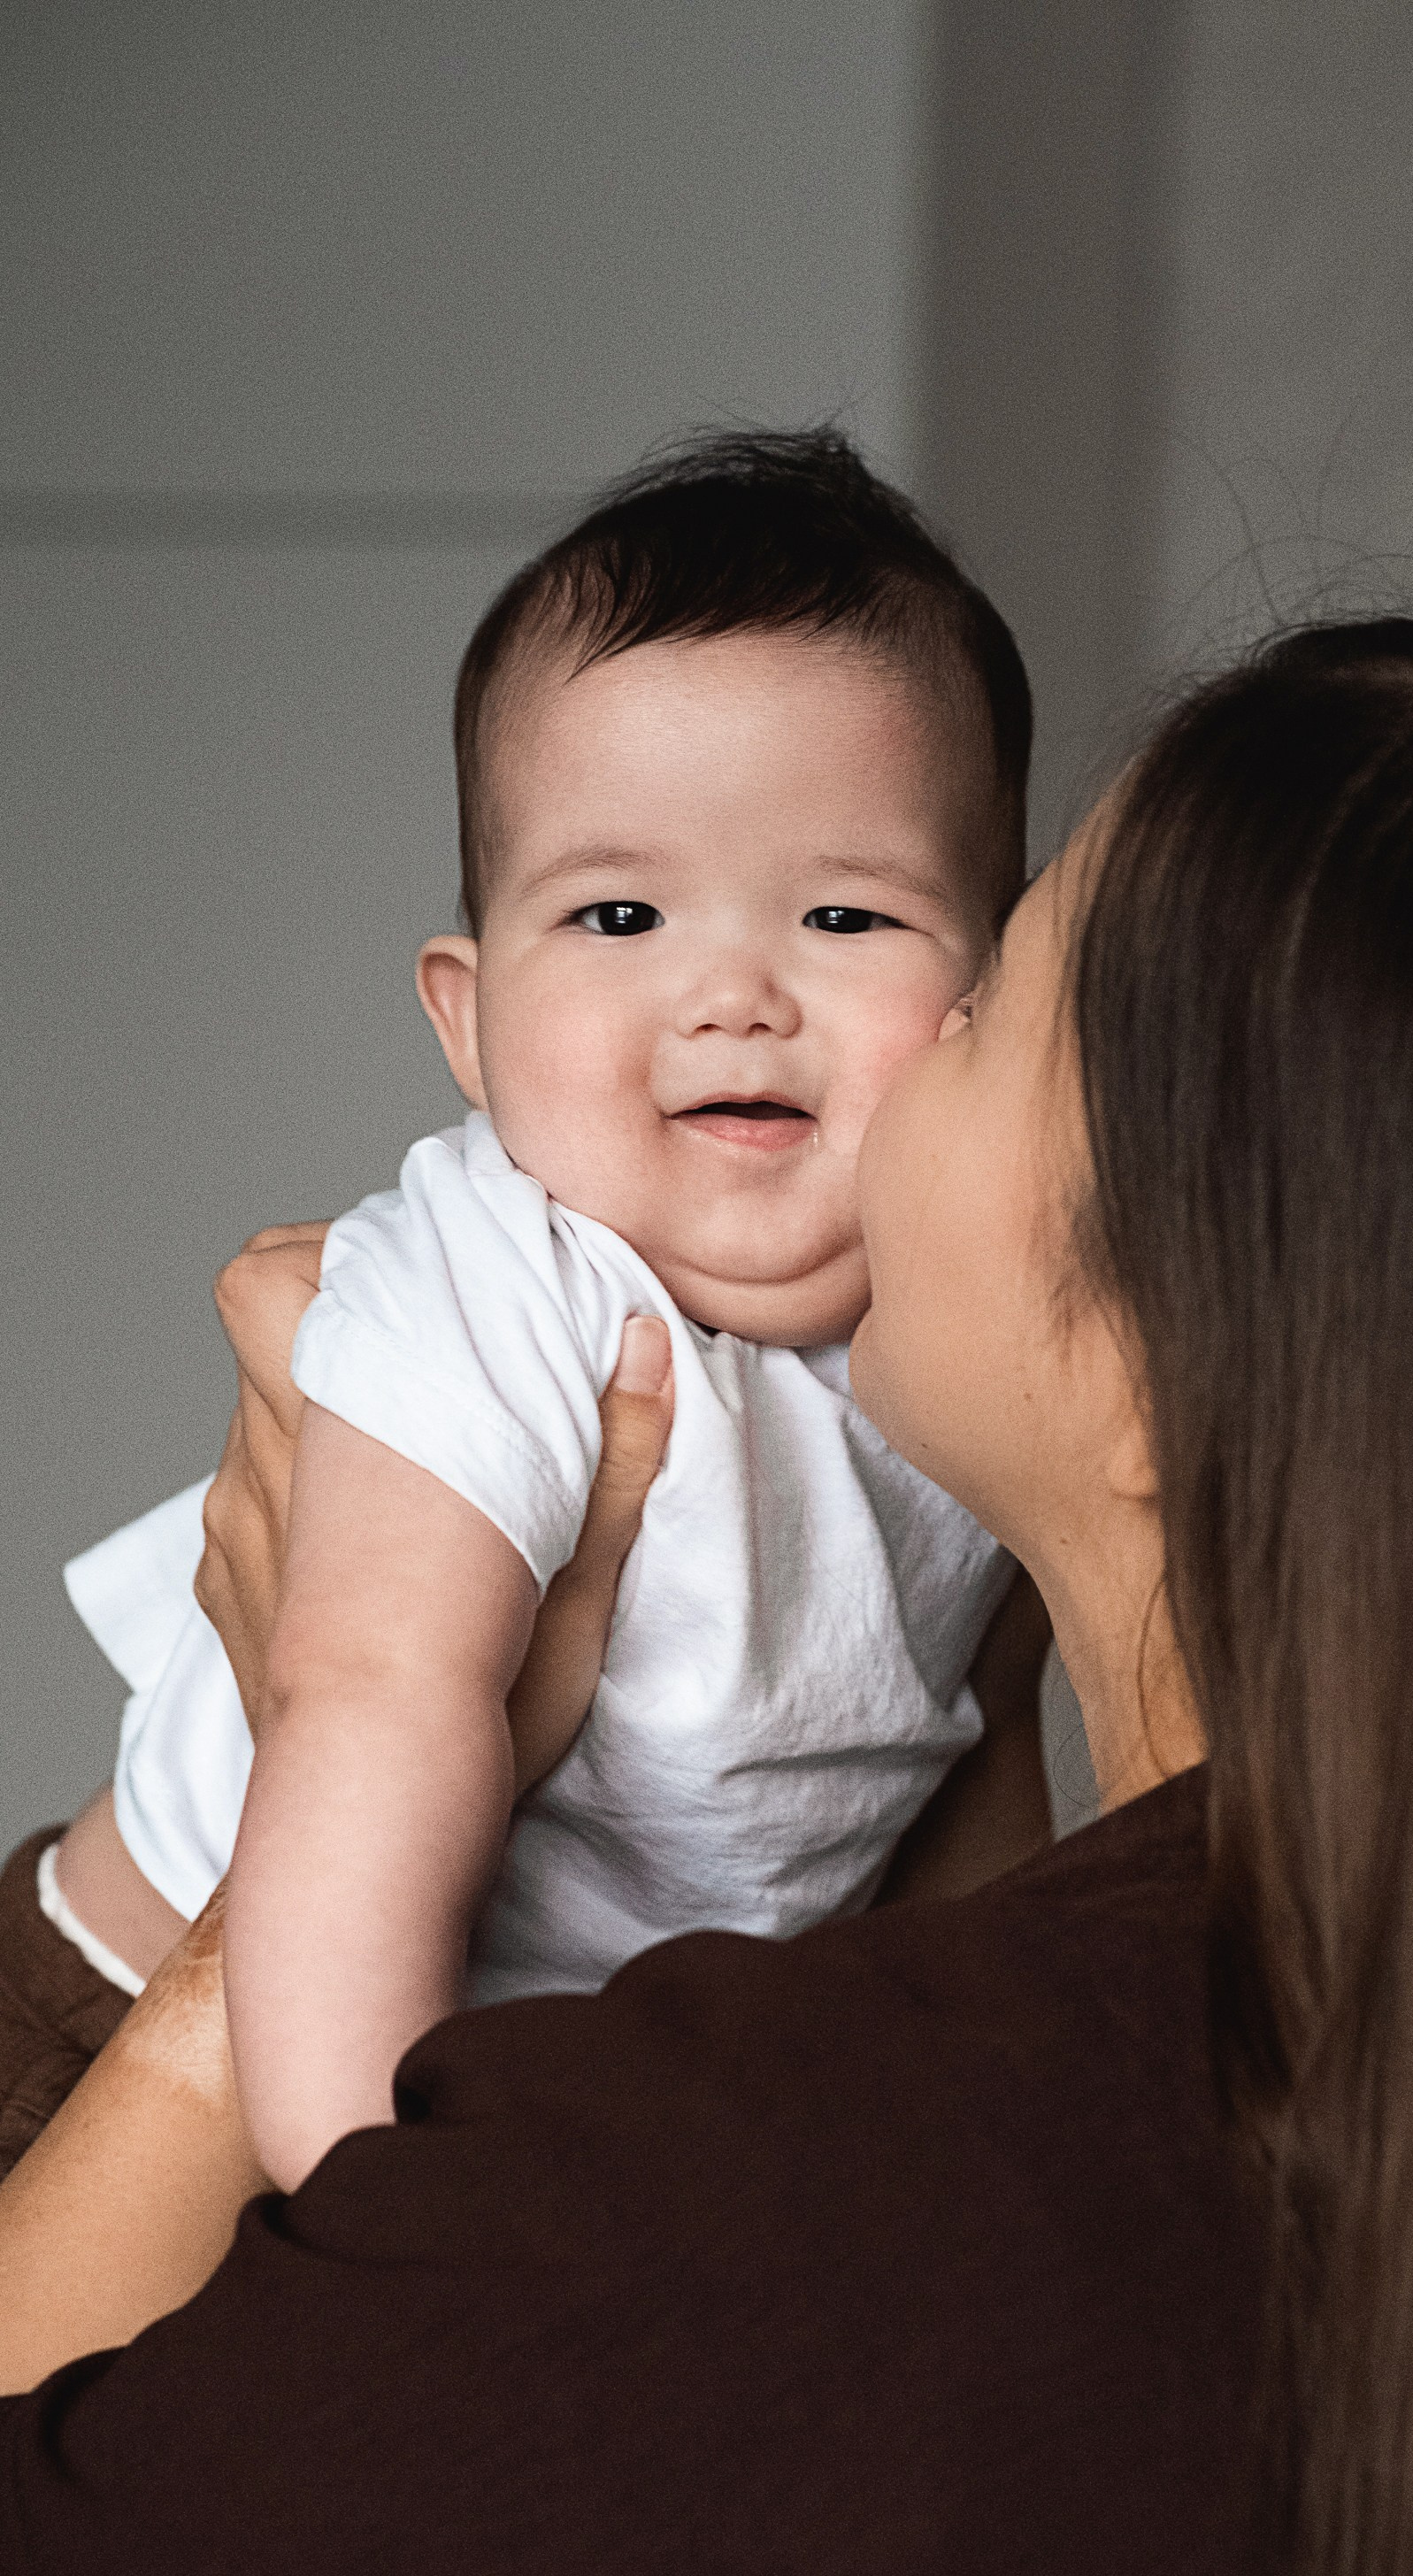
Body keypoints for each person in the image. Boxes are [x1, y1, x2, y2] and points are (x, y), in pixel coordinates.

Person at [3, 616, 1413, 2576]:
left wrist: (269, 1866)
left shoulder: (723, 2194)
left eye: (989, 979)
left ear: (1147, 1370)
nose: (827, 1023)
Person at [15, 431, 1053, 2190]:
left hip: (581, 2083)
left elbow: (963, 1803)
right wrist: (374, 2183)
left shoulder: (976, 1331)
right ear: (470, 1017)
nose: (733, 992)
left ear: (1003, 987)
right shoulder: (495, 1283)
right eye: (621, 910)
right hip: (149, 2034)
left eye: (844, 910)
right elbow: (373, 1698)